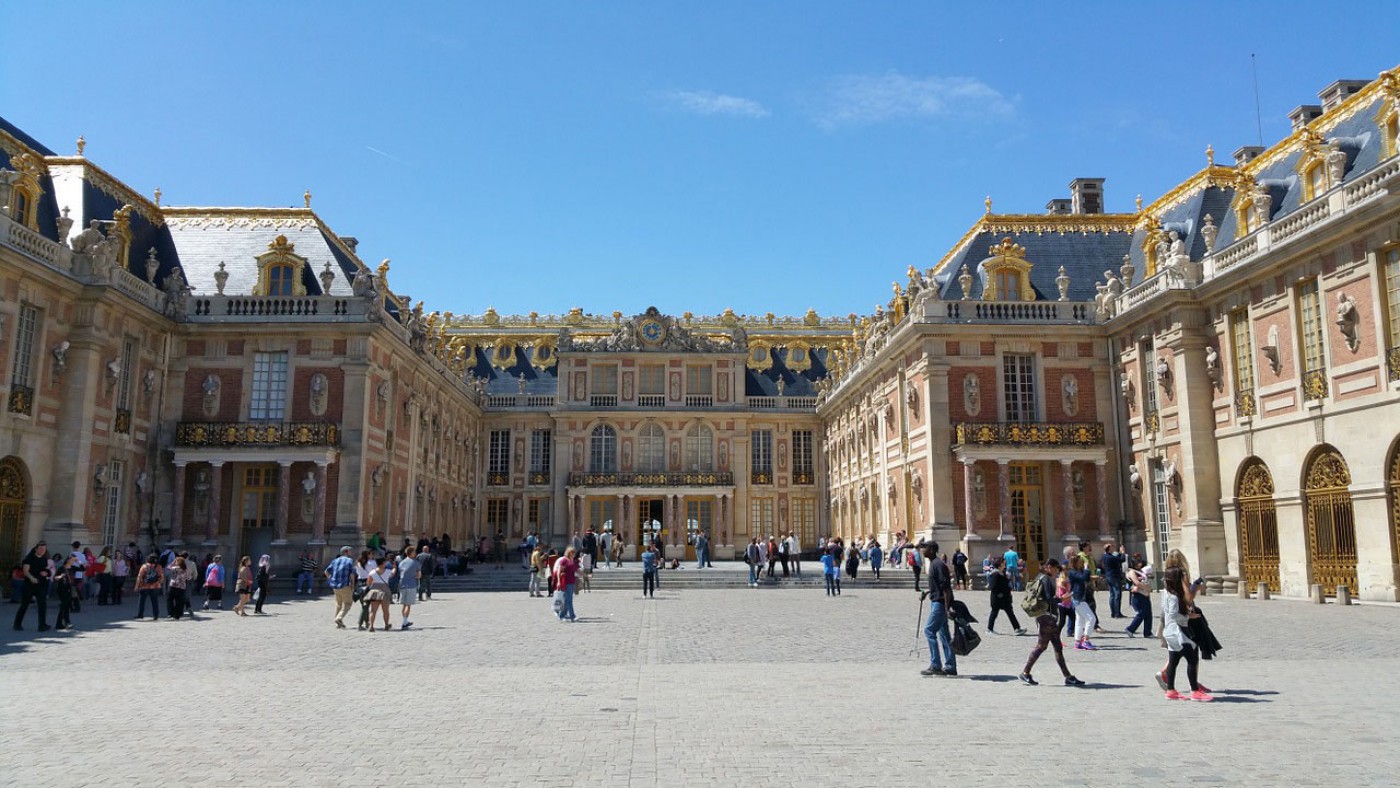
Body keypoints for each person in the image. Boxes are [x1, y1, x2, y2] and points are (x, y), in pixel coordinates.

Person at [1018, 559, 1085, 687]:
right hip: (1046, 618)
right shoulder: (1045, 579)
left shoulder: (1042, 577)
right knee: (1041, 646)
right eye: (1055, 570)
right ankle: (1025, 672)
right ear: (1049, 567)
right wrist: (1062, 598)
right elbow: (1049, 598)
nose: (1056, 573)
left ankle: (1068, 676)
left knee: (1057, 647)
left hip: (1046, 617)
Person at [1160, 567, 1212, 701]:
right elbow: (1173, 614)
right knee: (1192, 660)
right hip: (1178, 632)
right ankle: (1195, 691)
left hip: (1170, 631)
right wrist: (1189, 616)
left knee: (1173, 660)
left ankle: (1170, 690)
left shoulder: (1166, 592)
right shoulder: (1173, 596)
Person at [919, 541, 957, 677]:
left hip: (940, 605)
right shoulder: (935, 564)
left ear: (932, 549)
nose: (922, 550)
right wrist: (929, 592)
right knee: (944, 635)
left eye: (925, 547)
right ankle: (951, 666)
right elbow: (939, 587)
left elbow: (946, 588)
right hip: (938, 602)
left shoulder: (938, 564)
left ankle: (936, 665)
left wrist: (947, 609)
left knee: (929, 630)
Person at [12, 541, 51, 631]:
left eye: (44, 549)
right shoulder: (28, 558)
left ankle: (42, 625)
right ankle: (17, 624)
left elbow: (46, 570)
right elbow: (26, 571)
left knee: (42, 605)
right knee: (24, 605)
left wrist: (46, 573)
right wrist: (31, 578)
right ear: (36, 549)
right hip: (29, 585)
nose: (42, 551)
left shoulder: (44, 559)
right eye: (41, 549)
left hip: (41, 585)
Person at [986, 557, 1025, 635]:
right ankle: (989, 629)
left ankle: (1017, 628)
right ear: (1000, 564)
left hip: (1005, 598)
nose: (1005, 564)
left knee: (1010, 613)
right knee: (994, 613)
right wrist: (999, 594)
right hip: (997, 598)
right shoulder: (995, 573)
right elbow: (993, 586)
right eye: (1004, 563)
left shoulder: (1002, 572)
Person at [1068, 555, 1098, 650]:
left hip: (1080, 597)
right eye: (1080, 561)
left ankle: (1077, 642)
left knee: (1080, 620)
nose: (1082, 563)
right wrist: (1086, 568)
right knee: (1091, 618)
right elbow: (1083, 578)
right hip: (1078, 599)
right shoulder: (1072, 572)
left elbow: (1086, 577)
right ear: (1076, 562)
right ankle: (1086, 640)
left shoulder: (1078, 571)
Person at [324, 547, 356, 628]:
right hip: (345, 585)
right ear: (346, 552)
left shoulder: (335, 560)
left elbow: (326, 571)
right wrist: (353, 585)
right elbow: (352, 574)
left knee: (339, 604)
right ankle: (339, 618)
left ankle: (338, 622)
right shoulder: (349, 561)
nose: (351, 552)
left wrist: (330, 579)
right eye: (350, 551)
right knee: (348, 603)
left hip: (335, 585)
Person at [1124, 559, 1153, 638]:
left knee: (1148, 614)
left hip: (1144, 594)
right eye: (1137, 562)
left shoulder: (1140, 571)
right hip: (1138, 595)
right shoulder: (1131, 571)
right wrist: (1147, 588)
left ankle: (1148, 632)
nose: (1139, 564)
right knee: (1141, 613)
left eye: (1139, 562)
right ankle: (1130, 629)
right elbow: (1136, 582)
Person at [364, 558, 393, 631]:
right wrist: (394, 567)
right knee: (385, 610)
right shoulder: (388, 571)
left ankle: (371, 626)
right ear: (383, 563)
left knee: (373, 610)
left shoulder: (372, 572)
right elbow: (393, 574)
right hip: (385, 591)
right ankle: (386, 625)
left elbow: (368, 583)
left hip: (374, 591)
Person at [134, 553, 164, 621]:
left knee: (142, 601)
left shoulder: (144, 566)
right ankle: (155, 615)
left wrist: (136, 586)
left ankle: (140, 614)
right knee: (155, 601)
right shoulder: (158, 566)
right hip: (155, 586)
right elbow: (161, 577)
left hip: (144, 586)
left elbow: (139, 576)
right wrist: (159, 583)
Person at [1100, 542, 1126, 619]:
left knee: (1112, 595)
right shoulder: (1110, 557)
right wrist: (1123, 552)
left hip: (1109, 576)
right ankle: (1117, 613)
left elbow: (1116, 557)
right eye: (1112, 547)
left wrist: (1119, 553)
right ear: (1109, 548)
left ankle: (1113, 612)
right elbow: (1122, 559)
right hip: (1114, 576)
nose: (1114, 548)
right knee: (1117, 594)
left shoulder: (1105, 556)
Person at [398, 546, 420, 630]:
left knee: (404, 604)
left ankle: (404, 620)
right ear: (411, 553)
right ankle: (404, 622)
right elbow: (419, 575)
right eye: (414, 552)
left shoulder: (401, 562)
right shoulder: (415, 563)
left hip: (402, 585)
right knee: (408, 605)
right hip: (411, 585)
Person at [554, 547, 579, 622]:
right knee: (569, 600)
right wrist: (558, 581)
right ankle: (572, 616)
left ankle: (562, 615)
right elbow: (559, 571)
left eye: (574, 553)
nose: (573, 554)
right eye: (572, 552)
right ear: (569, 553)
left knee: (567, 600)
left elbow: (576, 570)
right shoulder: (564, 560)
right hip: (565, 581)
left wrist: (584, 574)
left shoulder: (572, 561)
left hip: (571, 581)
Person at [53, 560, 75, 630]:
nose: (73, 562)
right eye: (72, 561)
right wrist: (60, 576)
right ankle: (64, 623)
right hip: (62, 589)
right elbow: (55, 578)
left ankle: (62, 623)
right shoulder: (62, 568)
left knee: (66, 606)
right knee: (64, 606)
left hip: (68, 589)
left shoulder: (70, 569)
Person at [167, 556, 191, 621]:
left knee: (170, 600)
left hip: (173, 586)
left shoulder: (175, 568)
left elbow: (168, 567)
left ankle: (171, 613)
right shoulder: (185, 569)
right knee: (179, 601)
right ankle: (177, 615)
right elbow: (189, 578)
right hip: (182, 587)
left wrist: (173, 562)